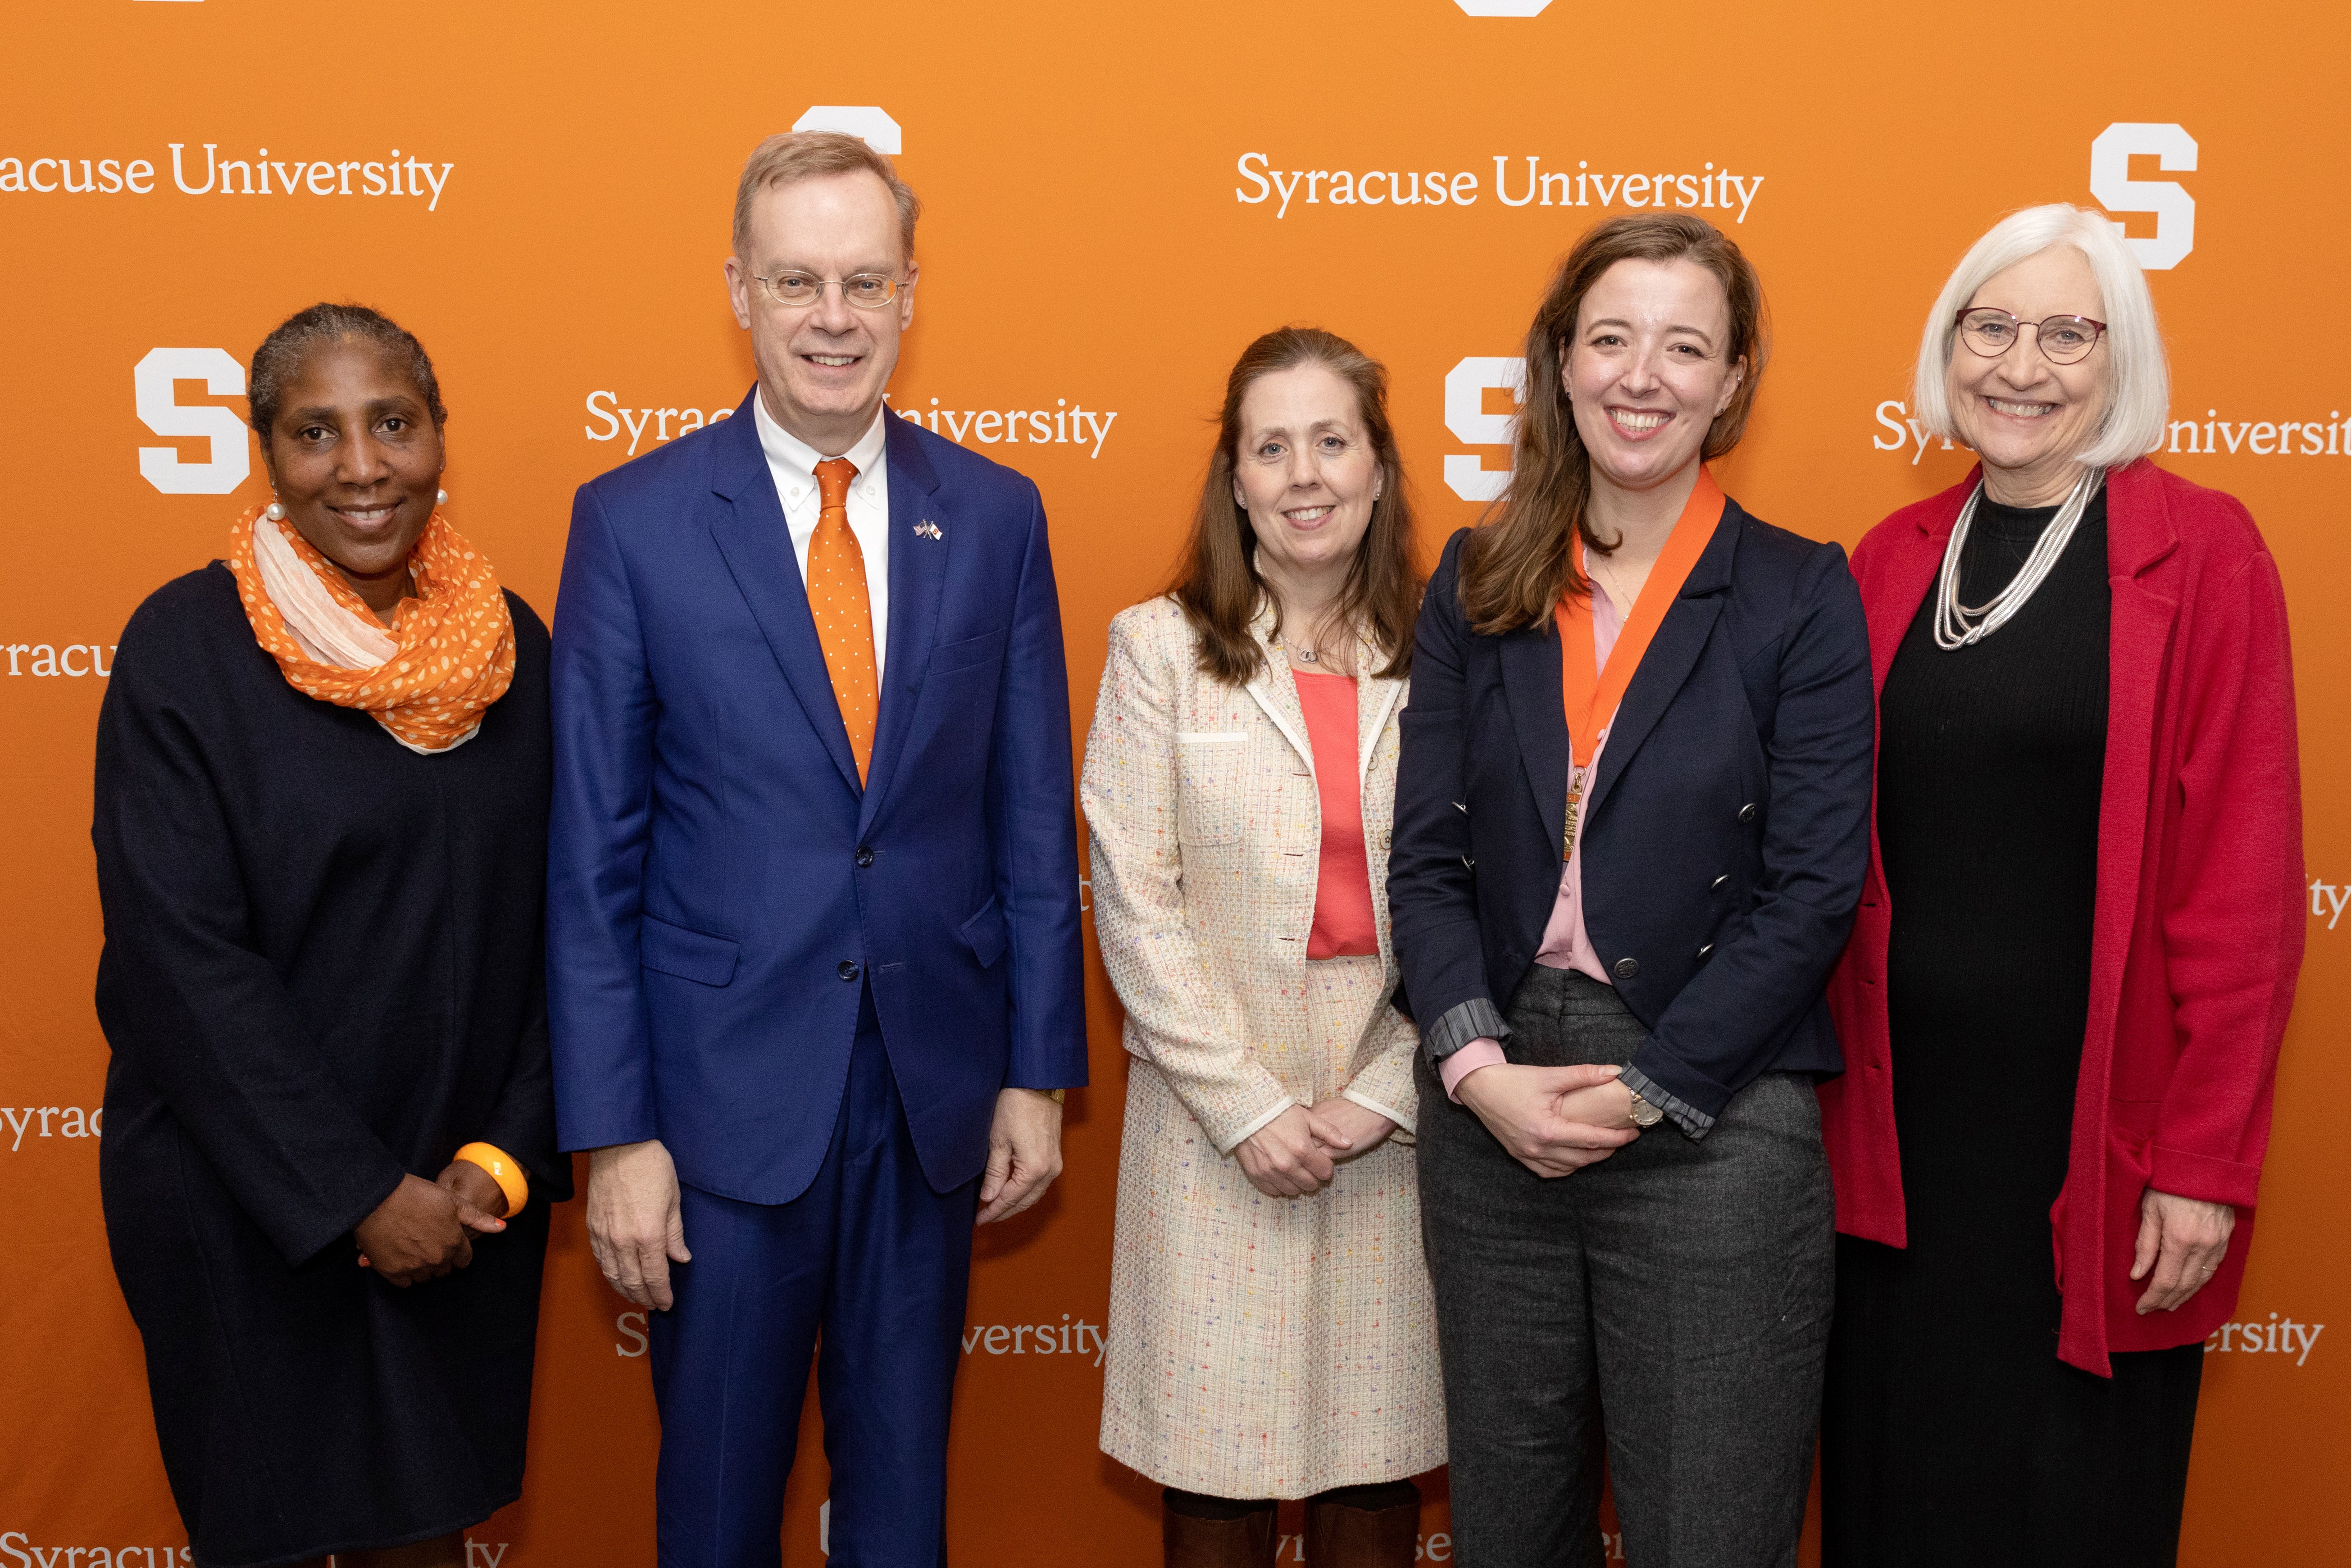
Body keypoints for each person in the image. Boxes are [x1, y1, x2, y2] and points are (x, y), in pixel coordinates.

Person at [546, 130, 1086, 1565]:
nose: (831, 315)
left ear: (912, 294)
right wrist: (614, 1134)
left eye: (863, 280)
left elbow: (1030, 816)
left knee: (901, 1497)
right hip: (717, 1112)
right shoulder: (632, 523)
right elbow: (592, 857)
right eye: (796, 280)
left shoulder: (995, 515)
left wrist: (1036, 1071)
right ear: (739, 289)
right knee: (717, 1505)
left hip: (930, 1099)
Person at [1386, 214, 1876, 1568]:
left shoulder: (1796, 593)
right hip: (1492, 1108)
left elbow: (1812, 889)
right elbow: (1424, 859)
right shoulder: (1478, 580)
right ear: (1558, 360)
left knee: (1708, 1529)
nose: (1640, 375)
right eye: (1609, 338)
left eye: (1683, 345)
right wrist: (1476, 1070)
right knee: (1507, 1525)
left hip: (1710, 1112)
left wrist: (1650, 1084)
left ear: (1732, 381)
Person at [1816, 204, 2303, 1567]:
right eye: (1990, 326)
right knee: (1894, 1502)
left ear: (2118, 358)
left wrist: (2200, 1167)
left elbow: (2245, 893)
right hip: (1896, 1154)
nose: (2019, 364)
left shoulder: (2201, 553)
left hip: (2100, 1149)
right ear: (1946, 346)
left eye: (2064, 332)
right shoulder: (1887, 561)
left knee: (2067, 1510)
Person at [92, 302, 562, 1568]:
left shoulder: (511, 649)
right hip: (249, 1211)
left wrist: (502, 1158)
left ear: (439, 438)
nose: (362, 465)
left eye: (393, 423)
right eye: (317, 432)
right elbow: (183, 965)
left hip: (458, 1207)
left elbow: (565, 928)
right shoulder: (185, 648)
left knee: (426, 1537)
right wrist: (356, 1195)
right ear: (267, 454)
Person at [1087, 328, 1443, 1568]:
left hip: (1390, 1129)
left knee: (1372, 1484)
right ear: (1233, 477)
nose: (1304, 474)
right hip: (1211, 1136)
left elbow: (1497, 900)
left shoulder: (1454, 658)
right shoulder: (1157, 651)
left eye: (1331, 440)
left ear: (1379, 466)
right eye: (1270, 445)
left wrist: (1382, 1095)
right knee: (1216, 1487)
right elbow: (1134, 898)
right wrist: (1246, 1106)